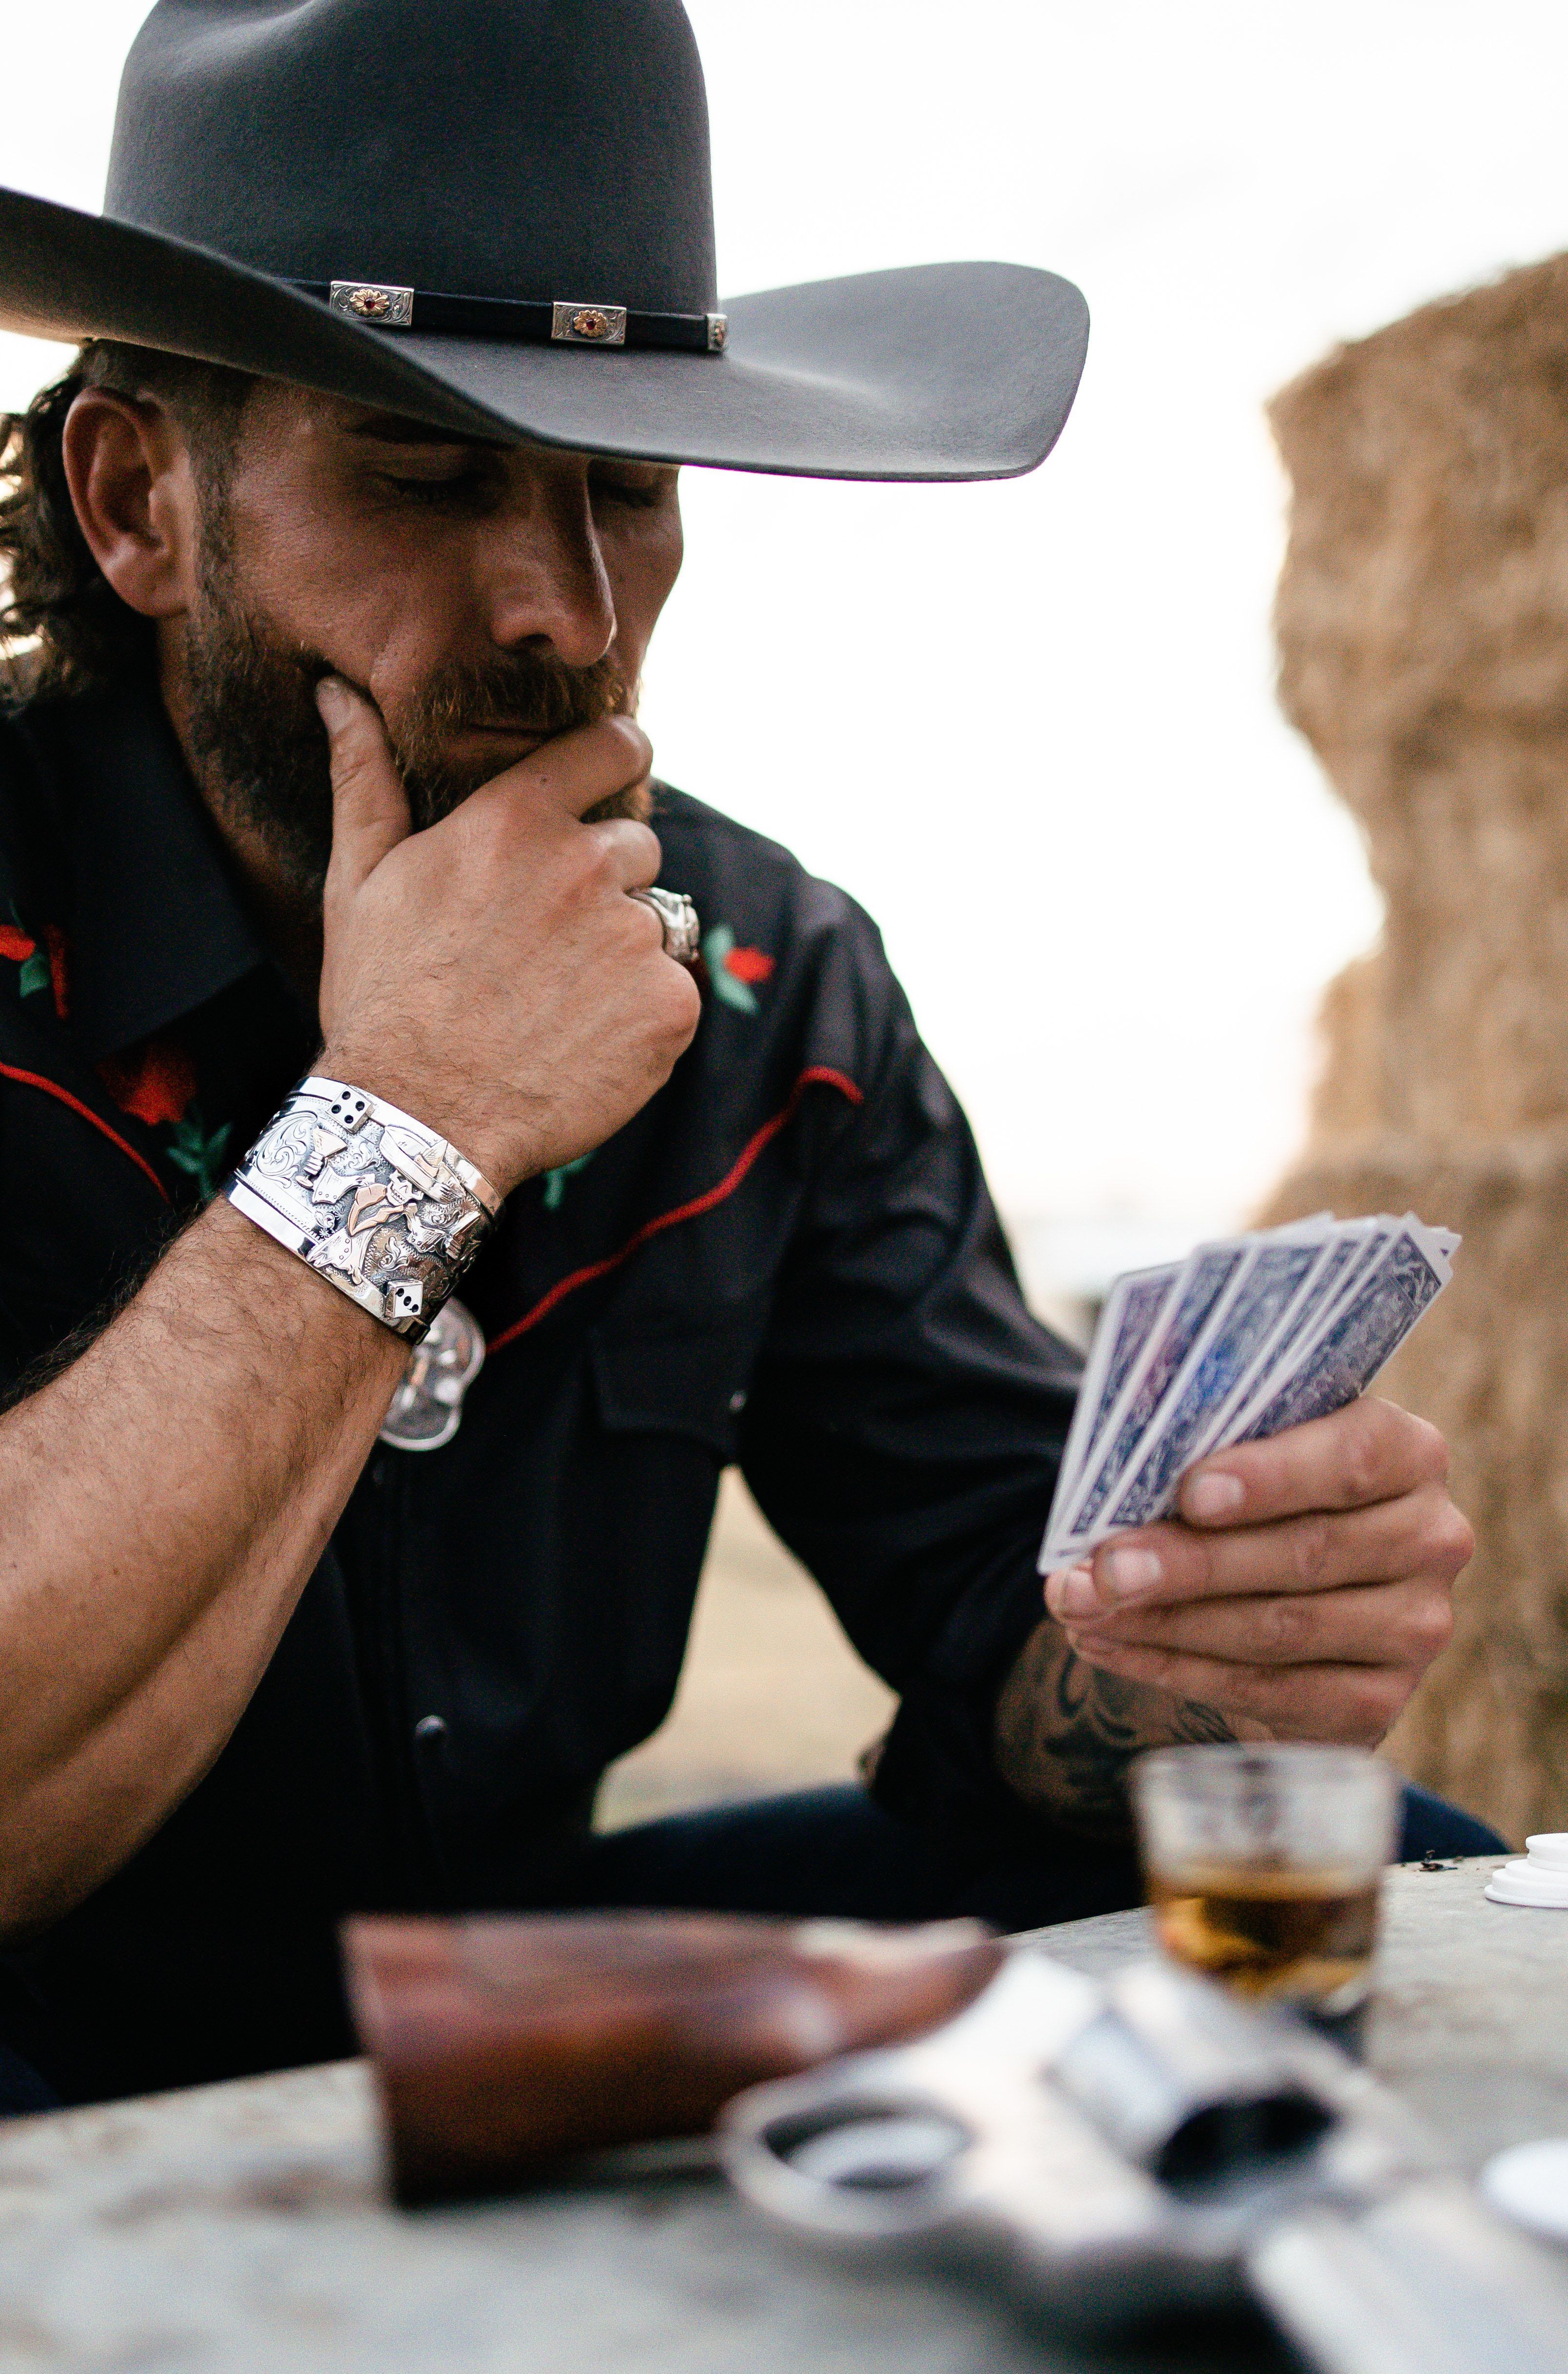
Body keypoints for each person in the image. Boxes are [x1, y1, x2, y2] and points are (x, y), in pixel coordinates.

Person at [0, 0, 1489, 2116]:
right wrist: (402, 1127)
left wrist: (1200, 1642)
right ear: (140, 498)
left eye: (629, 489)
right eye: (425, 474)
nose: (564, 612)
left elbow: (1007, 1639)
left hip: (503, 2011)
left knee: (1396, 1869)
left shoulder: (768, 975)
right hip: (52, 2056)